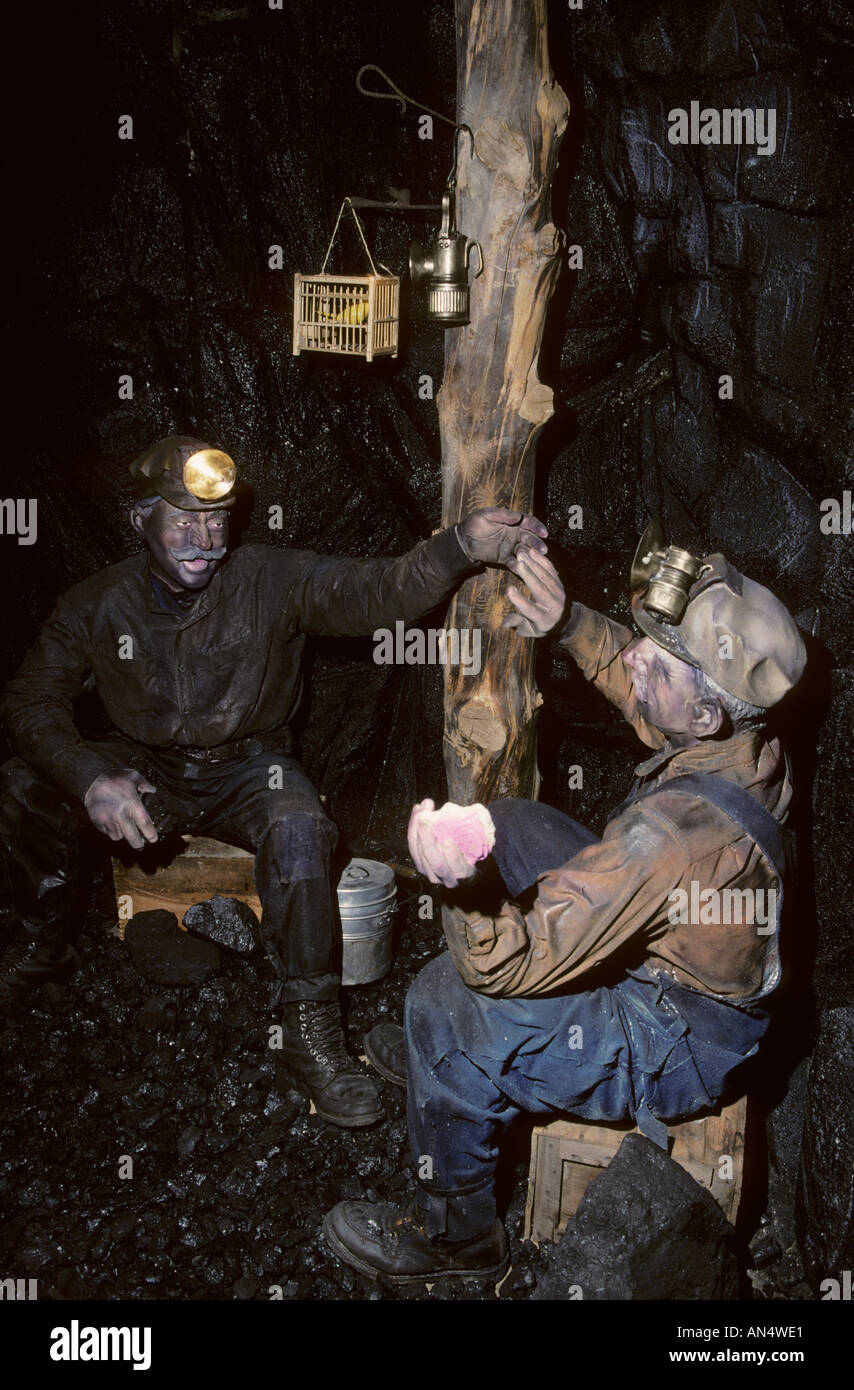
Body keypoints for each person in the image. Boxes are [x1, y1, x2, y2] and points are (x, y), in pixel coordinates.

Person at [0, 434, 550, 1129]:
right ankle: (39, 948)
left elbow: (378, 591)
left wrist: (460, 545)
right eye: (183, 518)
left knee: (299, 828)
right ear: (139, 519)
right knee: (24, 783)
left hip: (249, 767)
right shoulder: (96, 602)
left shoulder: (271, 578)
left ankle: (310, 1031)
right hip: (143, 767)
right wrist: (90, 778)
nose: (205, 538)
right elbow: (28, 702)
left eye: (218, 518)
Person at [323, 523, 807, 1281]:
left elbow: (502, 968)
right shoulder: (743, 741)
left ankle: (460, 1238)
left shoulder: (669, 838)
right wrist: (572, 623)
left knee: (445, 1005)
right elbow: (648, 692)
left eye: (660, 657)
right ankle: (441, 1070)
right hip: (678, 944)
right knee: (511, 824)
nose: (638, 658)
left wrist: (463, 888)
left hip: (676, 1037)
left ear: (707, 713)